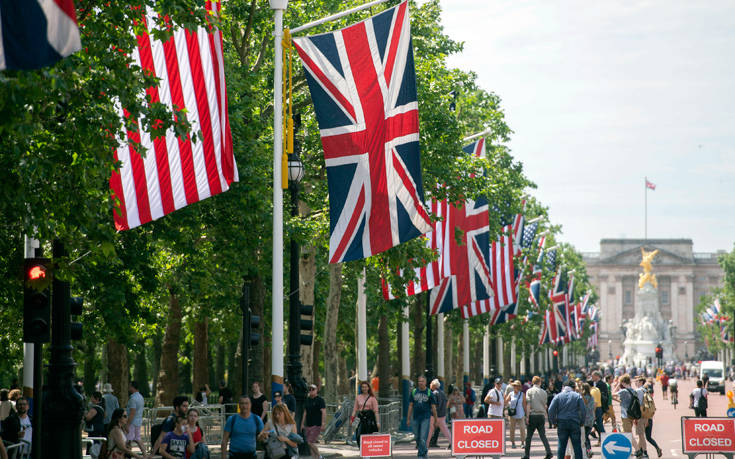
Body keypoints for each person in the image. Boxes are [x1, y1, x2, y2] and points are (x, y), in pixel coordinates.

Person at [548, 380, 585, 459]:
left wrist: (554, 422)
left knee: (561, 446)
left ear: (563, 387)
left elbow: (550, 410)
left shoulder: (558, 396)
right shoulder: (577, 396)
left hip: (562, 423)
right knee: (577, 446)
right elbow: (583, 410)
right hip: (574, 422)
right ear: (573, 387)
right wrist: (582, 422)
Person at [613, 374, 646, 458]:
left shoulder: (623, 391)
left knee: (628, 434)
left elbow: (612, 394)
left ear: (623, 383)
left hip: (625, 416)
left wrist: (617, 385)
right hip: (632, 415)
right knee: (625, 433)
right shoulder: (633, 390)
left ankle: (638, 450)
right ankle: (630, 450)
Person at [406, 375, 437, 459]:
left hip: (425, 418)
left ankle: (420, 455)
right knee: (417, 437)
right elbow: (410, 406)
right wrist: (408, 418)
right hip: (415, 417)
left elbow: (433, 407)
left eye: (422, 381)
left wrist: (436, 420)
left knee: (423, 437)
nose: (420, 383)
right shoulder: (414, 392)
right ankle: (424, 451)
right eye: (419, 381)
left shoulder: (429, 393)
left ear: (425, 382)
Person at [522, 376, 552, 459]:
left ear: (532, 382)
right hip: (541, 415)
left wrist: (527, 416)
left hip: (532, 415)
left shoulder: (529, 391)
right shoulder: (544, 392)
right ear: (540, 382)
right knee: (543, 435)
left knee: (529, 437)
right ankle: (548, 451)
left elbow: (528, 404)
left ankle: (526, 455)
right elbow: (545, 405)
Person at [350, 381, 379, 446]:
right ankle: (361, 449)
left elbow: (376, 411)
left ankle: (368, 452)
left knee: (368, 435)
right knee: (358, 435)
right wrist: (352, 419)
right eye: (363, 387)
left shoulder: (372, 398)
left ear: (368, 388)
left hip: (370, 419)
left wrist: (378, 422)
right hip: (361, 418)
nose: (364, 388)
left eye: (366, 387)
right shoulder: (358, 397)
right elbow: (355, 410)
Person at [302, 384, 326, 459]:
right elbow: (305, 412)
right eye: (310, 389)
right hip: (308, 424)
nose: (311, 391)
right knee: (309, 444)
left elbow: (324, 412)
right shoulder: (307, 400)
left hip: (316, 424)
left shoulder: (320, 400)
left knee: (310, 442)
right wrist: (302, 424)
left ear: (316, 390)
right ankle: (315, 457)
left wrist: (323, 423)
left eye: (313, 389)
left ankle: (320, 456)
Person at [427, 379, 450, 448]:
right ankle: (452, 442)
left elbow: (434, 405)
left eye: (431, 384)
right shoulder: (442, 393)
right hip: (442, 415)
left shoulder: (434, 393)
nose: (430, 385)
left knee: (429, 430)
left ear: (434, 385)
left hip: (435, 415)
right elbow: (446, 403)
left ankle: (426, 444)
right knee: (445, 430)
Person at [125, 381, 146, 454]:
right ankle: (145, 454)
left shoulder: (133, 399)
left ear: (132, 387)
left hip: (132, 422)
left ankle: (127, 455)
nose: (128, 388)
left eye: (129, 386)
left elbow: (132, 413)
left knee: (128, 440)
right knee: (137, 438)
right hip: (138, 421)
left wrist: (127, 424)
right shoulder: (140, 397)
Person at [505, 381, 527, 449]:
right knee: (512, 429)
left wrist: (527, 414)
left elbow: (524, 404)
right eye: (514, 386)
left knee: (522, 428)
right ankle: (513, 443)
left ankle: (523, 442)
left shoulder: (522, 394)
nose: (515, 387)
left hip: (520, 414)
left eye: (517, 386)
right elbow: (505, 401)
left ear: (519, 387)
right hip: (512, 414)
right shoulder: (511, 394)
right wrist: (509, 405)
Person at [85, 391, 106, 458]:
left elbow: (88, 418)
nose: (91, 399)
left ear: (96, 399)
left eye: (92, 397)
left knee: (92, 445)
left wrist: (84, 414)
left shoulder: (95, 408)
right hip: (99, 429)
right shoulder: (102, 408)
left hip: (94, 429)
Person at [581, 383, 596, 457]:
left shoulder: (581, 397)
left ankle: (588, 450)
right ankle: (589, 450)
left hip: (583, 419)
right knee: (586, 436)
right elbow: (593, 407)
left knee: (584, 436)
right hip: (590, 419)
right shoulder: (591, 397)